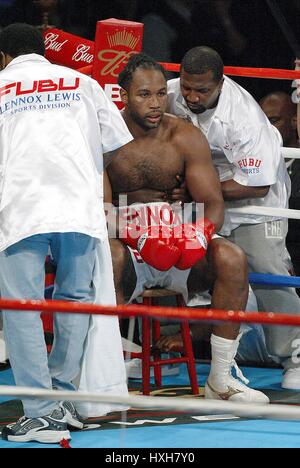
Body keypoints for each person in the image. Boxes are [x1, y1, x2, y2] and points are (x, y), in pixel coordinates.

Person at [106, 52, 269, 404]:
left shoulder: (184, 135)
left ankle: (222, 378)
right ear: (124, 95)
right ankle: (107, 377)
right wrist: (137, 232)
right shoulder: (107, 137)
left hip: (179, 243)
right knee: (107, 257)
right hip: (128, 247)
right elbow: (97, 207)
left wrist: (199, 233)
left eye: (161, 94)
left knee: (231, 257)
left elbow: (212, 202)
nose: (154, 103)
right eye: (144, 94)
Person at [0, 23, 134, 444]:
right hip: (77, 204)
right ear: (42, 51)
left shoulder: (1, 85)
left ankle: (40, 411)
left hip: (20, 206)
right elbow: (115, 142)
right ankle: (61, 400)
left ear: (4, 57)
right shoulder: (82, 82)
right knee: (74, 299)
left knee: (22, 307)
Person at [167, 45, 300, 389]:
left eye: (202, 90)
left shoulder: (244, 118)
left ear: (220, 83)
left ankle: (295, 357)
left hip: (253, 206)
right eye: (186, 86)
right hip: (200, 199)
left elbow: (254, 186)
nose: (192, 96)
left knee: (269, 275)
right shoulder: (168, 95)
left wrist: (197, 188)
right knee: (181, 267)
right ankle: (169, 349)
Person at [260, 91, 300, 278]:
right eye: (263, 122)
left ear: (294, 121)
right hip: (268, 251)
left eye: (274, 121)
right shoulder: (257, 163)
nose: (267, 129)